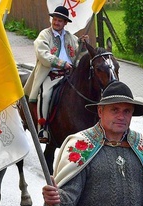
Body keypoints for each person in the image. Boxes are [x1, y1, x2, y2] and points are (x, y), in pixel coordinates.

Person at [23, 6, 88, 143]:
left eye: (60, 21)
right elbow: (43, 54)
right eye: (55, 19)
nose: (56, 23)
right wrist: (61, 63)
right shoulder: (44, 35)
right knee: (45, 95)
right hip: (50, 74)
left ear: (65, 23)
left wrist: (83, 45)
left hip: (69, 75)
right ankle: (43, 128)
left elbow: (80, 56)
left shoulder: (71, 37)